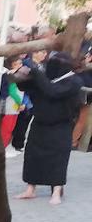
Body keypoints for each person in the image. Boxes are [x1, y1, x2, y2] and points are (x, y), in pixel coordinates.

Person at [13, 51, 83, 205]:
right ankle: (30, 189)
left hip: (61, 126)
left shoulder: (73, 81)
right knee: (32, 156)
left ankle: (56, 191)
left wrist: (37, 72)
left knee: (58, 159)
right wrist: (23, 72)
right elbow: (24, 85)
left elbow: (53, 91)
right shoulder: (44, 78)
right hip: (40, 123)